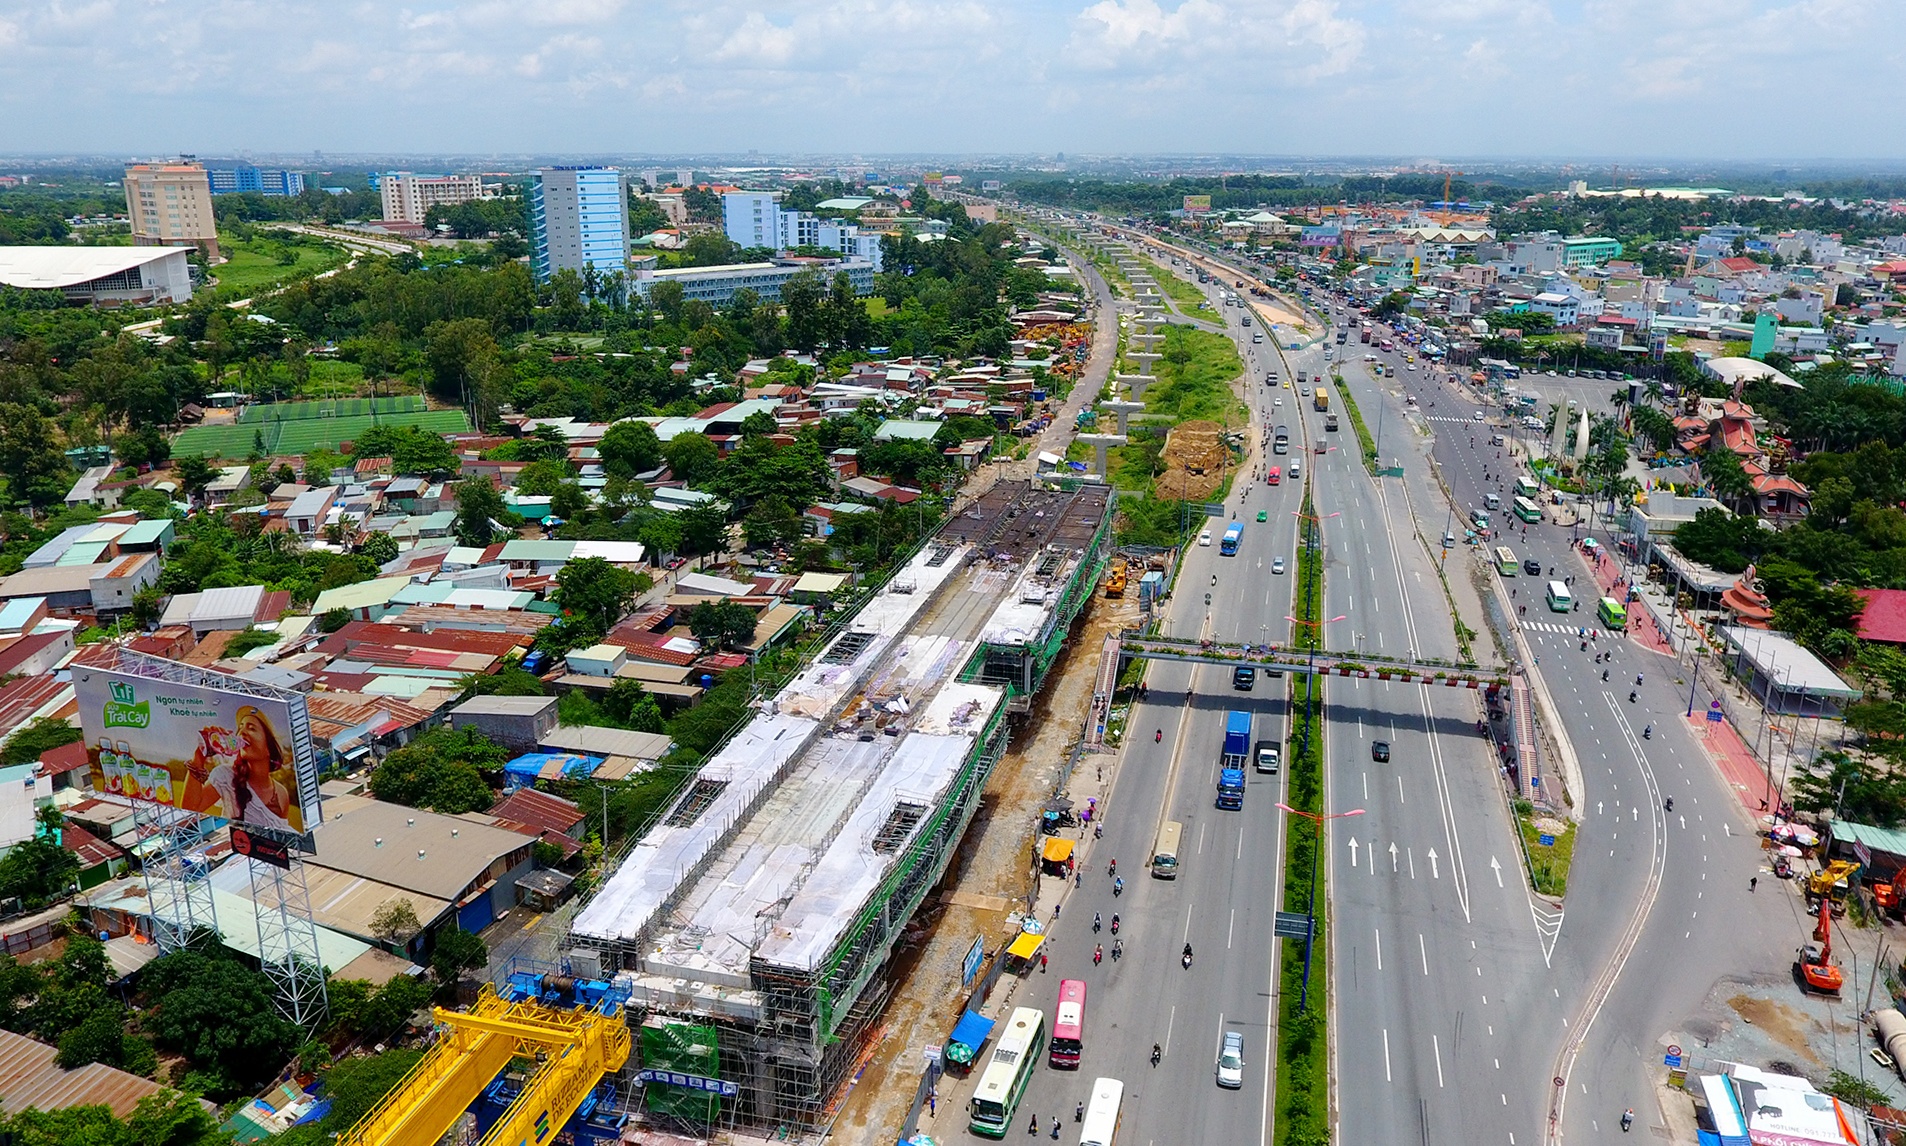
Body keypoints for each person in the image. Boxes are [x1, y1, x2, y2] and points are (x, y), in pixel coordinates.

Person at [180, 705, 297, 831]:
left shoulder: (281, 793)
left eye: (251, 728)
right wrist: (199, 756)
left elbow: (283, 834)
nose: (242, 733)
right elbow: (190, 810)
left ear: (268, 748)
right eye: (240, 728)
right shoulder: (226, 775)